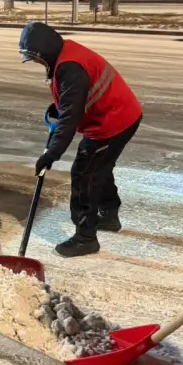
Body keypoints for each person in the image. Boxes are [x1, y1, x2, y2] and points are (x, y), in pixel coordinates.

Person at [19, 22, 142, 257]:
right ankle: (109, 215)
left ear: (43, 54)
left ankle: (85, 237)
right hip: (123, 114)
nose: (35, 63)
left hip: (111, 121)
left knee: (84, 174)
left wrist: (52, 153)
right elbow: (72, 102)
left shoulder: (70, 68)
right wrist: (60, 107)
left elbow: (70, 118)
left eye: (35, 59)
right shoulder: (66, 52)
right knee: (100, 166)